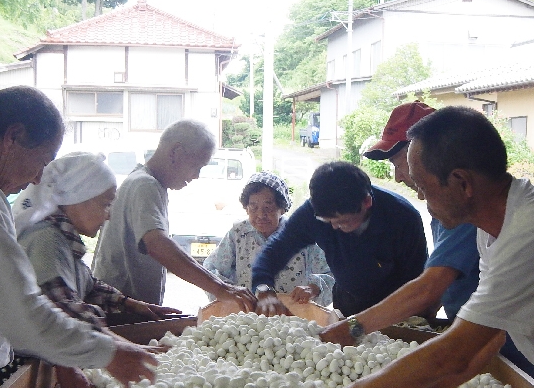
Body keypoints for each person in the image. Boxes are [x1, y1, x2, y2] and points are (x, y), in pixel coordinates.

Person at [259, 106, 534, 388]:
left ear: (461, 183)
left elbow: (454, 350)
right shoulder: (495, 227)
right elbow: (495, 334)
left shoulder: (532, 235)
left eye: (422, 183)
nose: (418, 194)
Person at [0, 86, 157, 388]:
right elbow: (19, 313)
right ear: (14, 136)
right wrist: (109, 352)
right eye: (43, 160)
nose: (39, 178)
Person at [319, 102, 534, 382]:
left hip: (511, 353)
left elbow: (431, 287)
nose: (400, 176)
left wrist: (354, 328)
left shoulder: (471, 211)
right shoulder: (451, 209)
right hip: (485, 339)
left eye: (402, 163)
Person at [12, 152, 180, 388]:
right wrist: (122, 351)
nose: (109, 214)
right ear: (75, 198)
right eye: (105, 204)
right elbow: (63, 308)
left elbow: (87, 284)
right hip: (21, 376)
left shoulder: (63, 240)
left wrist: (129, 304)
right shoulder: (46, 240)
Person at [92, 119, 256, 311]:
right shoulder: (145, 185)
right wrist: (220, 288)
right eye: (197, 166)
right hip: (118, 311)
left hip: (125, 307)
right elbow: (157, 244)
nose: (196, 176)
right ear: (176, 153)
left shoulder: (145, 181)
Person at [252, 161, 428, 317]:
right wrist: (264, 288)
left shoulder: (402, 218)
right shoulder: (313, 212)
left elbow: (418, 284)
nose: (335, 228)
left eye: (343, 222)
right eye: (329, 222)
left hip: (396, 308)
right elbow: (276, 249)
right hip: (347, 302)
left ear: (366, 203)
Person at [203, 172, 334, 306]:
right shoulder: (238, 233)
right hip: (247, 315)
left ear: (282, 208)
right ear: (246, 208)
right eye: (253, 207)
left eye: (268, 207)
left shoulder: (300, 234)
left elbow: (333, 275)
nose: (261, 215)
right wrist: (228, 292)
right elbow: (211, 268)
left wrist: (313, 288)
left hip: (294, 315)